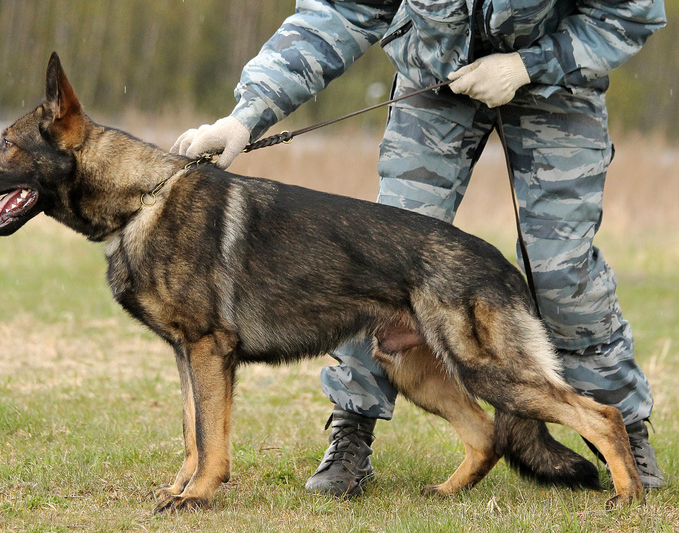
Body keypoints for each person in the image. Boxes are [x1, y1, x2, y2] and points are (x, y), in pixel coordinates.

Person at [171, 0, 666, 497]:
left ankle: (622, 427)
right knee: (375, 262)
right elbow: (339, 13)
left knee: (561, 273)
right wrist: (247, 114)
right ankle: (353, 425)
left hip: (561, 82)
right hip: (436, 76)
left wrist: (527, 65)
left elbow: (631, 13)